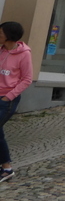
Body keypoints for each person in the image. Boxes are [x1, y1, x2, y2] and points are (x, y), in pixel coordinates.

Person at [0, 21, 33, 183]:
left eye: (1, 33)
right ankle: (6, 168)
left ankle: (7, 168)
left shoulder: (24, 54)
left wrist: (8, 97)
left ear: (9, 36)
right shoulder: (1, 50)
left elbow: (27, 79)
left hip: (7, 99)